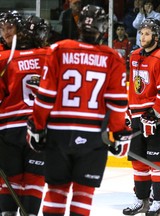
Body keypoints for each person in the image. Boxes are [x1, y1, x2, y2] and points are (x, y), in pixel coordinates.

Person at [26, 4, 131, 215]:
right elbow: (117, 104)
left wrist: (37, 126)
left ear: (80, 25)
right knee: (84, 193)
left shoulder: (59, 49)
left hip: (58, 133)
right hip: (92, 136)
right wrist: (120, 133)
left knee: (56, 191)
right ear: (103, 28)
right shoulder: (113, 58)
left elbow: (46, 96)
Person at [123, 18, 160, 215]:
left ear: (156, 36)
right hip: (139, 117)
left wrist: (154, 115)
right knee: (138, 161)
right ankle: (142, 200)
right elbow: (133, 88)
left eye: (147, 33)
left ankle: (159, 203)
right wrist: (129, 112)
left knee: (157, 163)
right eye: (141, 33)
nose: (142, 36)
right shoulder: (135, 55)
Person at [0, 12, 48, 215]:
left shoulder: (4, 57)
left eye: (10, 27)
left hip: (11, 127)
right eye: (2, 28)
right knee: (34, 179)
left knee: (11, 180)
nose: (5, 32)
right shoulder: (49, 55)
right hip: (39, 128)